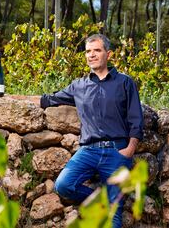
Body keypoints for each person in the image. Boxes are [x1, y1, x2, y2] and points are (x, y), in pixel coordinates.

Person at [40, 34, 144, 228]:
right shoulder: (78, 86)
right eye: (88, 51)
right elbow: (48, 100)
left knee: (114, 214)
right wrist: (6, 95)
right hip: (88, 151)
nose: (91, 55)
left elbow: (136, 118)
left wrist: (130, 149)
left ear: (109, 54)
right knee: (63, 185)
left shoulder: (124, 82)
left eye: (97, 50)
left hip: (117, 151)